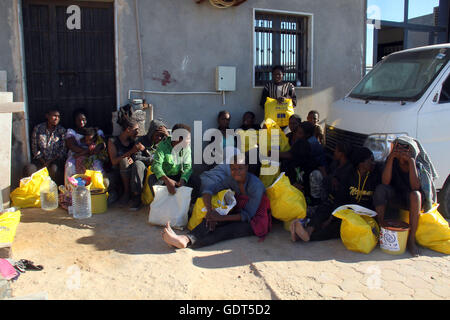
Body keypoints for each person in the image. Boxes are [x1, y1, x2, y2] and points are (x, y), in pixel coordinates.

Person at [161, 154, 270, 249]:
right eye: (233, 169)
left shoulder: (256, 186)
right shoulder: (232, 179)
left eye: (240, 168)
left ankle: (185, 241)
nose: (236, 172)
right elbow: (209, 190)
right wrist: (210, 211)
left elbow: (248, 215)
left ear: (246, 167)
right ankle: (184, 239)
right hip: (239, 211)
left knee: (225, 230)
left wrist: (221, 218)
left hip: (256, 220)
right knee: (210, 220)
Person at [291, 147, 380, 243]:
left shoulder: (375, 177)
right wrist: (330, 218)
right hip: (344, 208)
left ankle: (305, 235)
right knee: (325, 208)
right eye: (370, 160)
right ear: (361, 163)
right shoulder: (349, 175)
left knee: (337, 228)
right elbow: (341, 199)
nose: (373, 163)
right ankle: (308, 229)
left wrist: (330, 221)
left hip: (361, 214)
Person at [373, 136, 438, 257]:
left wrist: (411, 162)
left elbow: (415, 186)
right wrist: (392, 158)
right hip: (397, 196)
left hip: (412, 200)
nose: (401, 150)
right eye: (398, 147)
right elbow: (385, 182)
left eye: (405, 148)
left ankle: (411, 240)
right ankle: (381, 232)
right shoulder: (392, 160)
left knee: (415, 195)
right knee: (380, 190)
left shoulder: (416, 164)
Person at [127, 119, 170, 210]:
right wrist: (151, 159)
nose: (159, 138)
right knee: (137, 165)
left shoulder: (166, 142)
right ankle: (136, 197)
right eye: (157, 135)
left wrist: (168, 136)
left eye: (161, 136)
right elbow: (136, 157)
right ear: (151, 133)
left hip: (160, 170)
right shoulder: (142, 140)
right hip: (146, 168)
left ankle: (162, 200)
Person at [146, 123, 193, 198]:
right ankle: (161, 204)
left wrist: (182, 180)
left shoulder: (186, 147)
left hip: (177, 177)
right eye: (187, 139)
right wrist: (167, 181)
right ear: (178, 139)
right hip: (164, 177)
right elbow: (157, 166)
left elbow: (188, 167)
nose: (189, 141)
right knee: (152, 179)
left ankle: (189, 205)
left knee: (194, 180)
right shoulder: (162, 146)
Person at [107, 117, 145, 206]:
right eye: (135, 129)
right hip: (117, 172)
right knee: (124, 161)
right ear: (128, 129)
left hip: (130, 172)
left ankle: (134, 194)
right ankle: (126, 192)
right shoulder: (113, 141)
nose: (137, 132)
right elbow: (114, 161)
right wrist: (130, 152)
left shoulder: (133, 141)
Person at [64, 109, 108, 186]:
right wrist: (87, 151)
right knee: (70, 165)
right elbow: (72, 146)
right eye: (78, 120)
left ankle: (96, 188)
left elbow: (102, 143)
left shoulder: (95, 130)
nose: (81, 122)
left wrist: (95, 149)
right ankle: (71, 190)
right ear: (75, 121)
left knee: (96, 166)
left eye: (83, 120)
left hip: (93, 153)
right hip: (77, 152)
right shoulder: (72, 131)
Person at [25, 109, 67, 185]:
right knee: (29, 169)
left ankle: (55, 192)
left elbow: (62, 150)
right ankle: (35, 193)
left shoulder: (61, 130)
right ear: (47, 116)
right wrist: (43, 161)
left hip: (55, 160)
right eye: (54, 116)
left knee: (54, 170)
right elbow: (34, 147)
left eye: (58, 116)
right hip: (40, 160)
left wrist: (50, 161)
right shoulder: (38, 128)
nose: (56, 118)